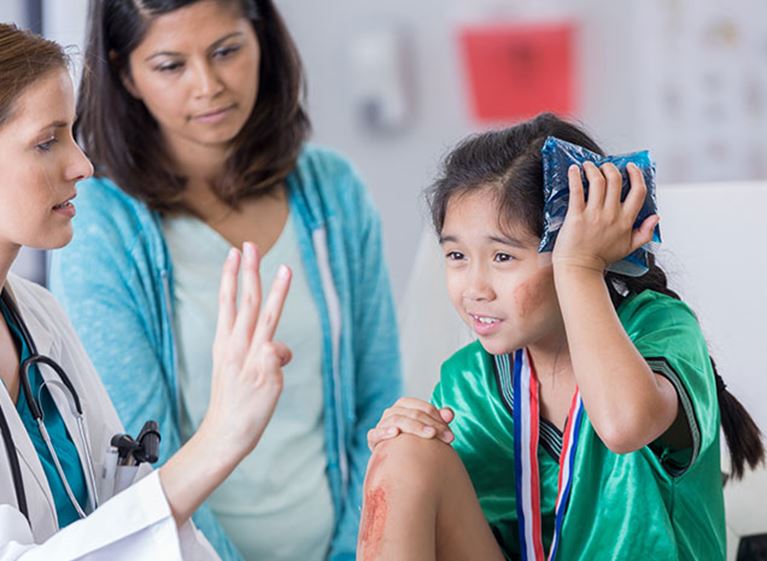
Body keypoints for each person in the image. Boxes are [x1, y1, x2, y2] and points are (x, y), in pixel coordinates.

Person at [47, 1, 402, 560]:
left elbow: (377, 405)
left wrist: (353, 549)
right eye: (170, 65)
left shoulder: (335, 191)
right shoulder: (99, 225)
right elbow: (138, 455)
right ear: (124, 72)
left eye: (226, 51)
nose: (208, 86)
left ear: (261, 38)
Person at [359, 113, 765, 561]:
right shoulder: (470, 380)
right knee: (405, 454)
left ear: (580, 244)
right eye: (456, 255)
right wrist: (399, 442)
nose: (475, 287)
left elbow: (623, 424)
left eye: (501, 256)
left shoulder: (658, 330)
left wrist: (580, 267)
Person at [0, 22, 294, 560]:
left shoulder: (38, 316)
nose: (81, 164)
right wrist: (220, 438)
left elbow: (127, 506)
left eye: (71, 134)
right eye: (46, 141)